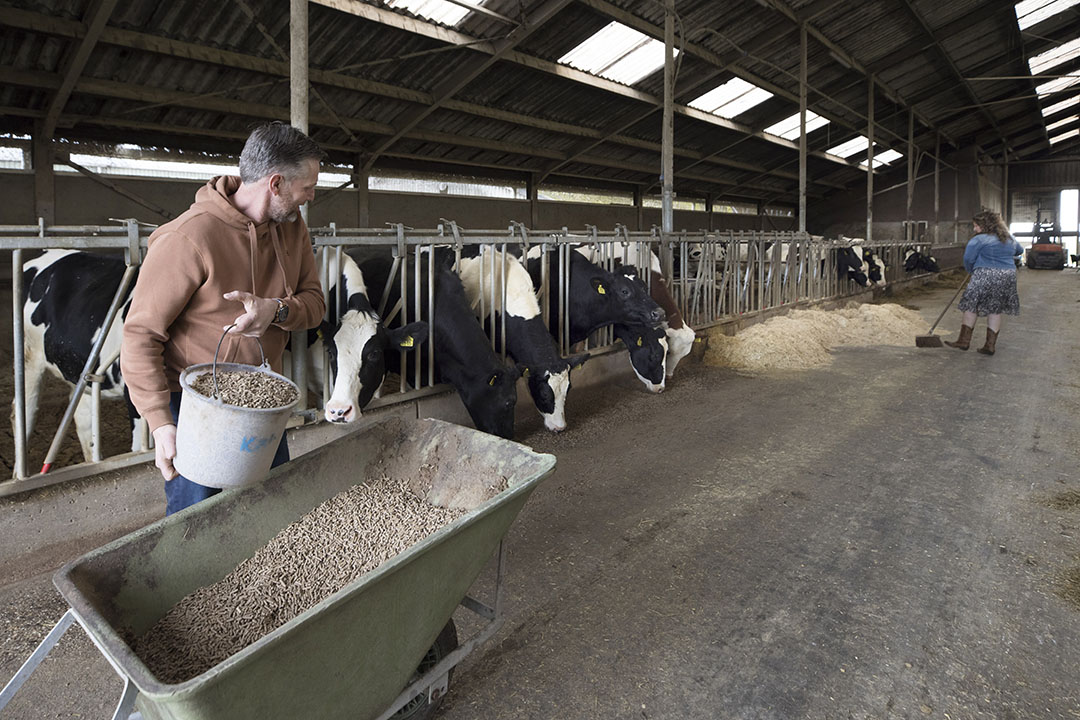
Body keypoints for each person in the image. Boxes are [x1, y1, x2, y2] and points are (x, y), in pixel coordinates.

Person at [121, 123, 327, 515]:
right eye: (307, 188)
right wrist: (162, 424)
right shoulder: (188, 237)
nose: (311, 197)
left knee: (268, 513)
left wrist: (276, 311)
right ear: (277, 183)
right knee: (195, 523)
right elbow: (140, 335)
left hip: (265, 399)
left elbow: (314, 303)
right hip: (198, 406)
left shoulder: (292, 227)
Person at [945, 209, 1022, 355]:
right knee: (995, 308)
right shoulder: (1008, 238)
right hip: (1007, 276)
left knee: (971, 305)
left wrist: (972, 270)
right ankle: (990, 346)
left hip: (984, 274)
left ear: (985, 225)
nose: (975, 229)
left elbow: (968, 259)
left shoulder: (978, 240)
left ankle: (963, 341)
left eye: (976, 225)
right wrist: (1004, 252)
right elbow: (1019, 251)